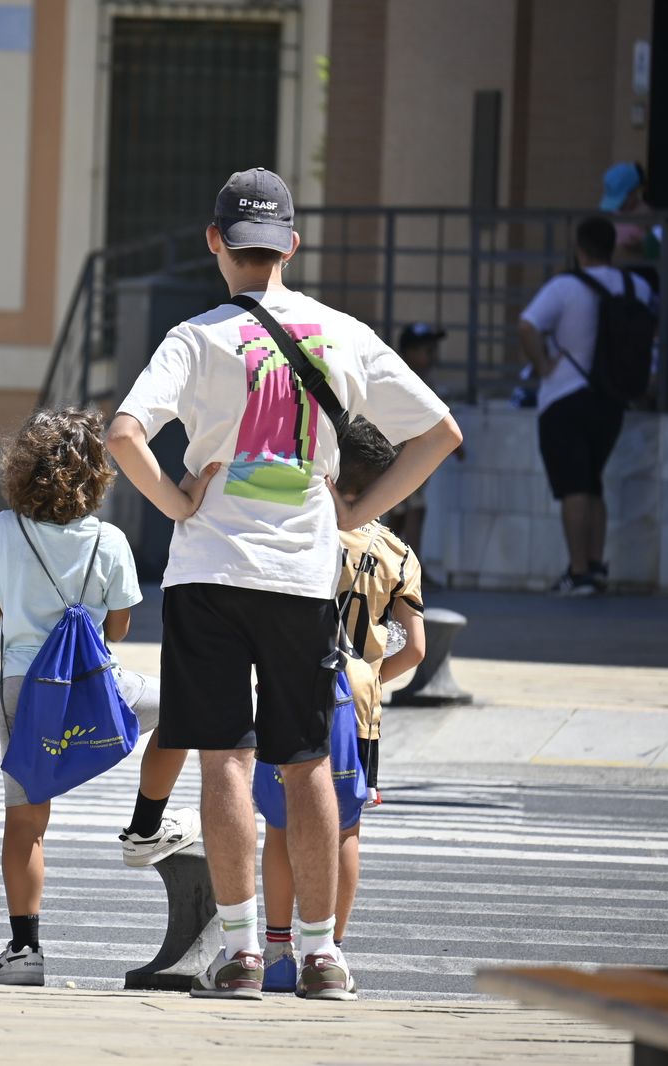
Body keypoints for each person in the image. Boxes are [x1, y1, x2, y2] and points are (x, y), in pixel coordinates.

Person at [106, 167, 460, 1001]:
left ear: (215, 243)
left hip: (207, 572)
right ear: (291, 246)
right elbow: (440, 432)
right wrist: (359, 509)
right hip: (303, 577)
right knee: (305, 763)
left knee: (224, 756)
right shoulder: (343, 333)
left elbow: (125, 432)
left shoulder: (194, 338)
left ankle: (236, 950)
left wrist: (176, 500)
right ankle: (320, 953)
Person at [0, 407, 201, 987]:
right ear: (98, 474)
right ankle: (146, 823)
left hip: (25, 691)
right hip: (97, 687)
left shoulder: (1, 528)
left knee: (26, 823)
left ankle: (24, 952)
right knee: (187, 707)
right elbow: (117, 630)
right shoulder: (111, 541)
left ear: (22, 469)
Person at [258, 417, 427, 995]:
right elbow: (418, 649)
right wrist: (374, 677)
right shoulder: (396, 552)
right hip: (358, 702)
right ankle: (327, 954)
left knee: (282, 824)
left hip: (291, 683)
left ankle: (276, 952)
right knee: (344, 829)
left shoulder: (298, 531)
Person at [518, 217, 652, 596]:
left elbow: (527, 325)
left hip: (565, 397)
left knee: (574, 486)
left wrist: (543, 365)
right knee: (593, 483)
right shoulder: (636, 286)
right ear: (612, 246)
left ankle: (578, 573)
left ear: (579, 247)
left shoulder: (565, 287)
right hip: (613, 398)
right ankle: (595, 566)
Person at [384, 323, 460, 559]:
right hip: (404, 456)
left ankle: (388, 562)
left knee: (402, 511)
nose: (432, 356)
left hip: (415, 456)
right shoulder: (403, 380)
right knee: (411, 510)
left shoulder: (423, 381)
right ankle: (410, 566)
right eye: (427, 350)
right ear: (409, 353)